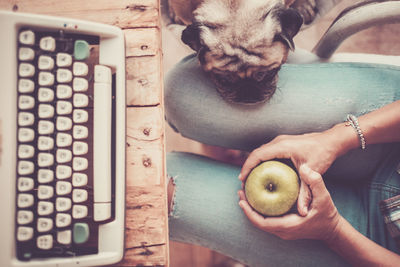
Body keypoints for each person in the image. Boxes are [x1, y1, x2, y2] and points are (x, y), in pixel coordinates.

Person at [165, 53, 400, 266]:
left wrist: (334, 232)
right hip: (391, 141)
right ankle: (238, 151)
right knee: (185, 93)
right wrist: (337, 138)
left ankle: (238, 152)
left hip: (375, 243)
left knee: (162, 190)